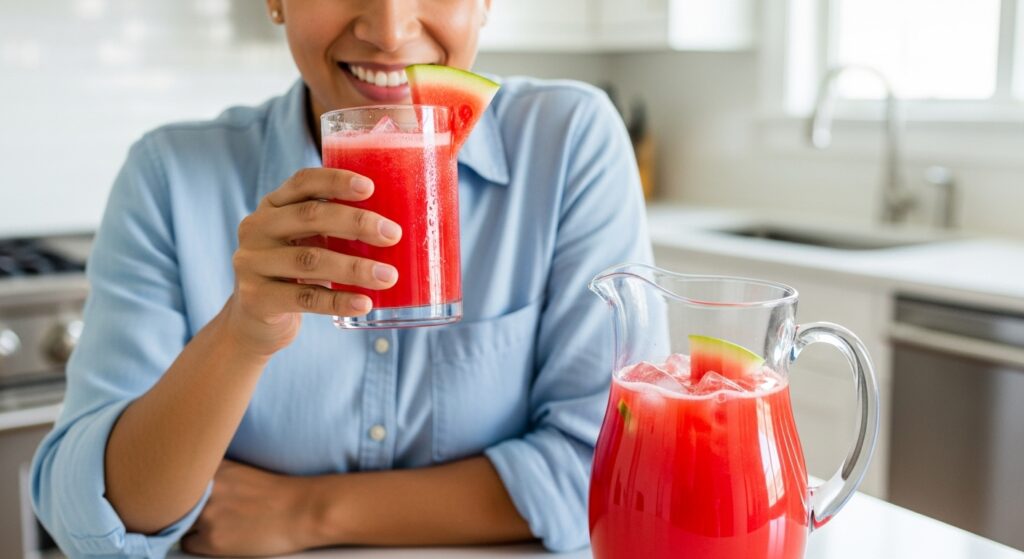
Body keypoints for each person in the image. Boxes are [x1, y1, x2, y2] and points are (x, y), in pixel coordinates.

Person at [30, 0, 652, 557]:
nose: (388, 29)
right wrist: (242, 335)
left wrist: (309, 512)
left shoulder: (570, 141)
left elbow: (616, 473)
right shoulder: (168, 175)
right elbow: (94, 515)